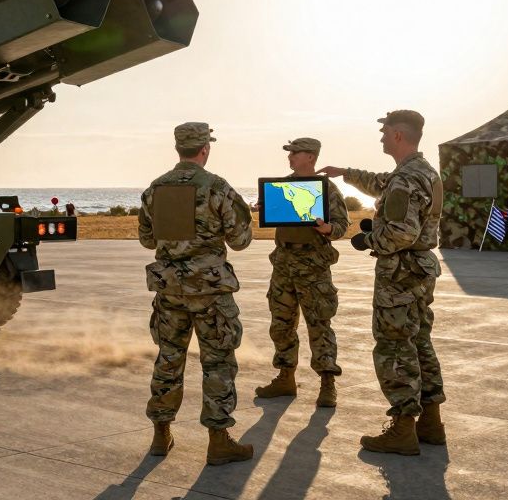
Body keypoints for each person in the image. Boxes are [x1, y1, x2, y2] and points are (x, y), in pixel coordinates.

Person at [318, 109, 445, 456]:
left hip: (400, 275)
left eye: (385, 132)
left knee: (393, 347)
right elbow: (380, 183)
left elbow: (402, 232)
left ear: (399, 136)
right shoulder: (422, 173)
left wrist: (369, 241)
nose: (382, 137)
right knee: (419, 343)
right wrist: (346, 173)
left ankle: (403, 428)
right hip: (419, 271)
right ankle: (431, 423)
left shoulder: (406, 179)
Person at [137, 122, 255, 465]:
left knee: (169, 357)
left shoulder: (154, 189)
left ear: (178, 149)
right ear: (205, 148)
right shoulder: (216, 187)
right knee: (217, 362)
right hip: (210, 292)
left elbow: (147, 240)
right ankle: (218, 441)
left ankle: (161, 435)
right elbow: (241, 241)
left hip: (170, 291)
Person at [255, 137, 350, 407]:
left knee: (319, 324)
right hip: (284, 263)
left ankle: (327, 383)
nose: (290, 157)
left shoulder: (327, 190)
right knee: (281, 324)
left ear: (311, 157)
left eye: (295, 153)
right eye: (290, 153)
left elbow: (342, 225)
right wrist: (265, 209)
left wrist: (328, 229)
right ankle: (286, 378)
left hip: (314, 266)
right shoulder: (281, 186)